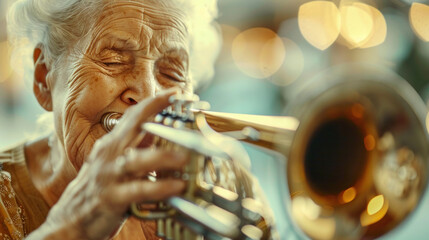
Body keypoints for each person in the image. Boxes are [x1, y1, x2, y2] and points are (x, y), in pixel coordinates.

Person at [0, 0, 224, 239]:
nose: (148, 95)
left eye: (172, 73)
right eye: (112, 61)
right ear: (44, 78)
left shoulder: (214, 190)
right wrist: (70, 230)